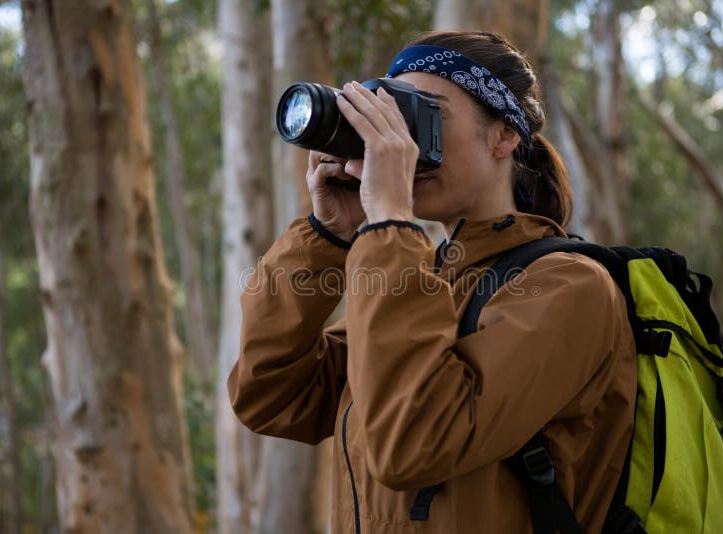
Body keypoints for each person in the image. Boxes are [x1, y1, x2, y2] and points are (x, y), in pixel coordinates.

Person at [228, 30, 637, 533]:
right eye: (392, 121)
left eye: (427, 116)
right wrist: (328, 234)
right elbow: (271, 395)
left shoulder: (571, 286)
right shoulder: (427, 283)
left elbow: (413, 446)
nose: (402, 143)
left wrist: (390, 226)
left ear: (504, 136)